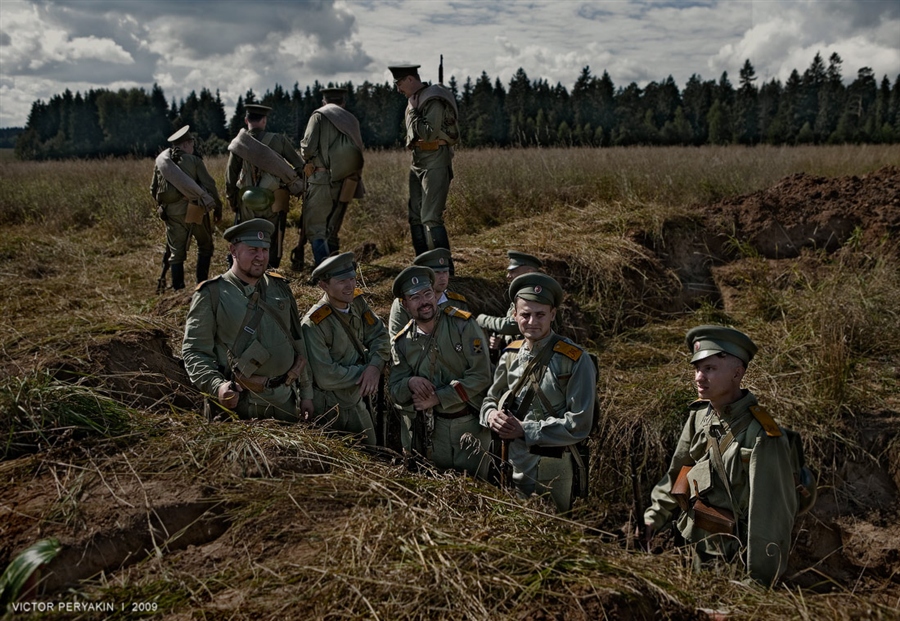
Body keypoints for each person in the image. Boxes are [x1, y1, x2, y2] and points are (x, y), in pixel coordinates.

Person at [642, 326, 798, 586]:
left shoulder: (762, 435)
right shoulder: (699, 416)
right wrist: (653, 517)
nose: (699, 378)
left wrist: (757, 583)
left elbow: (770, 518)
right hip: (694, 549)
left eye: (710, 369)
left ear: (737, 373)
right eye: (697, 368)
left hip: (736, 561)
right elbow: (678, 471)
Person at [481, 273, 596, 513]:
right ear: (515, 315)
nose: (532, 321)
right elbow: (490, 399)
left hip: (552, 466)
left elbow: (580, 423)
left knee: (553, 531)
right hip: (511, 463)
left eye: (540, 314)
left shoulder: (574, 360)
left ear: (553, 314)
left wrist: (524, 429)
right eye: (525, 314)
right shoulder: (510, 355)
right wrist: (491, 415)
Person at [181, 218, 314, 421]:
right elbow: (194, 351)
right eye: (253, 249)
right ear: (233, 251)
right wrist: (217, 386)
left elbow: (297, 342)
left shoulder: (280, 287)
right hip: (241, 406)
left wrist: (306, 394)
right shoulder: (212, 294)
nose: (260, 257)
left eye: (264, 250)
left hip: (285, 401)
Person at [389, 265, 492, 476]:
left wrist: (438, 397)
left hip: (470, 424)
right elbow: (395, 390)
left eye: (428, 294)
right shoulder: (403, 342)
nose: (424, 301)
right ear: (405, 305)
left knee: (478, 490)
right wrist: (410, 383)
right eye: (415, 297)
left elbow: (481, 375)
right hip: (433, 433)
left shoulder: (463, 325)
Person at [302, 252, 390, 445]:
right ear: (324, 285)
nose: (350, 286)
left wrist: (375, 367)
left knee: (373, 453)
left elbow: (380, 335)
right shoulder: (314, 324)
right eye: (342, 281)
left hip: (356, 400)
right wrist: (365, 372)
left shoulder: (357, 302)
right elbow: (326, 375)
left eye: (352, 279)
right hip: (331, 409)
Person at [388, 63, 460, 267]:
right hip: (418, 162)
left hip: (435, 161)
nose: (398, 89)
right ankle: (422, 264)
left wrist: (412, 113)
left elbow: (428, 132)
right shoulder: (417, 99)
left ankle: (443, 269)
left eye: (399, 83)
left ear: (410, 79)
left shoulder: (432, 99)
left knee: (430, 216)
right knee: (415, 216)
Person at [225, 104, 305, 269]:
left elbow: (230, 176)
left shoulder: (239, 143)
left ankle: (245, 268)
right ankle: (270, 270)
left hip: (247, 200)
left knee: (246, 235)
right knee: (272, 236)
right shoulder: (278, 140)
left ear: (246, 120)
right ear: (264, 120)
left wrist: (232, 200)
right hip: (273, 199)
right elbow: (299, 165)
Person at [298, 87, 365, 267]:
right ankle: (336, 264)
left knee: (316, 229)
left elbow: (308, 148)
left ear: (324, 101)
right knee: (332, 226)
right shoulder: (352, 120)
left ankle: (328, 270)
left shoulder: (319, 116)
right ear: (343, 102)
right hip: (346, 182)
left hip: (321, 180)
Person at [150, 125, 223, 290]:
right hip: (195, 210)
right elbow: (210, 186)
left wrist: (164, 206)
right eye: (191, 144)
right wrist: (218, 207)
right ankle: (201, 285)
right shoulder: (195, 161)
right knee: (205, 245)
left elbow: (153, 190)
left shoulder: (161, 163)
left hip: (171, 213)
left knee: (176, 252)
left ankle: (178, 288)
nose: (193, 147)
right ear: (185, 145)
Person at [388, 248, 469, 338]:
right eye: (437, 273)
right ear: (426, 276)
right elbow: (397, 342)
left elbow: (468, 334)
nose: (442, 277)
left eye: (445, 272)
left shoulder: (457, 302)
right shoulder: (404, 304)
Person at [475, 251, 544, 357]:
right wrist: (501, 341)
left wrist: (482, 319)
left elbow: (513, 325)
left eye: (513, 271)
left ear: (529, 271)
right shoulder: (520, 295)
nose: (508, 276)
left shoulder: (536, 295)